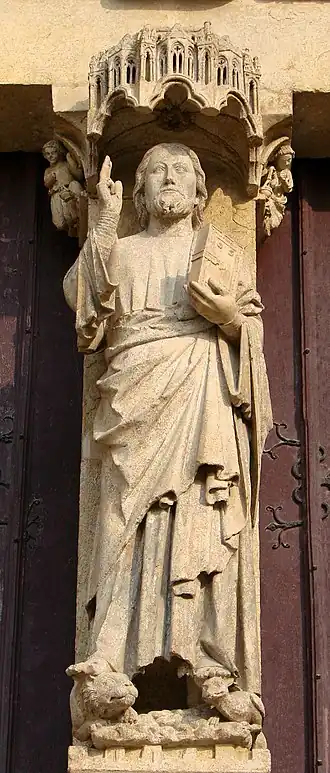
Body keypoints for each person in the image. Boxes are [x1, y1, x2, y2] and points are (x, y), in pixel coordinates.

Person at [64, 143, 272, 717]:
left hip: (202, 394)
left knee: (200, 519)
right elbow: (85, 310)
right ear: (140, 192)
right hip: (132, 400)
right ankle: (106, 661)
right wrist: (103, 223)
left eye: (182, 170)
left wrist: (228, 320)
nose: (170, 179)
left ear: (201, 191)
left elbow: (248, 332)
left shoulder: (218, 251)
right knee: (121, 522)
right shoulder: (122, 251)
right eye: (157, 171)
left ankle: (211, 665)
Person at [43, 139, 83, 237]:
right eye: (48, 154)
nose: (51, 156)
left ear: (59, 152)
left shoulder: (65, 165)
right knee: (59, 224)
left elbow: (79, 176)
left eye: (53, 152)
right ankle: (71, 229)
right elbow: (46, 184)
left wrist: (70, 159)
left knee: (70, 215)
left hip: (68, 191)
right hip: (55, 195)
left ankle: (76, 228)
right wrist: (51, 178)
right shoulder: (48, 170)